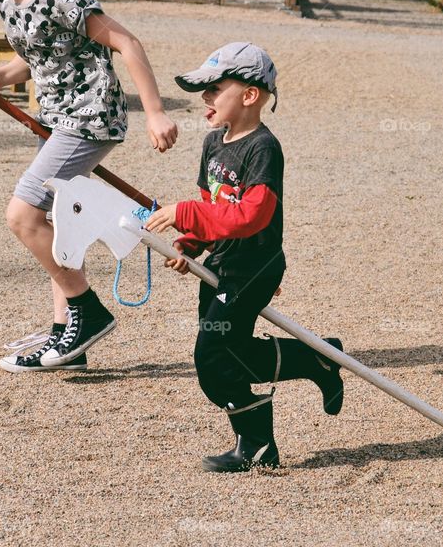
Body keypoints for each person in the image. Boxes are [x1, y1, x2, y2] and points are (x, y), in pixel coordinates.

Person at [0, 0, 178, 373]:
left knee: (23, 214)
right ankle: (67, 335)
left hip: (89, 119)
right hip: (58, 118)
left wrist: (155, 113)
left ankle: (88, 312)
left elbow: (127, 42)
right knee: (56, 221)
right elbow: (36, 59)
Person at [145, 43, 343, 472]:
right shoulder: (214, 143)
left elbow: (253, 215)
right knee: (228, 354)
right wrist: (191, 244)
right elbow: (211, 205)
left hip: (255, 264)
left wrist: (185, 214)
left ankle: (256, 446)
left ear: (250, 95)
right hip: (222, 262)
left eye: (215, 89)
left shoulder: (263, 149)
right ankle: (315, 358)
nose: (205, 99)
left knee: (212, 356)